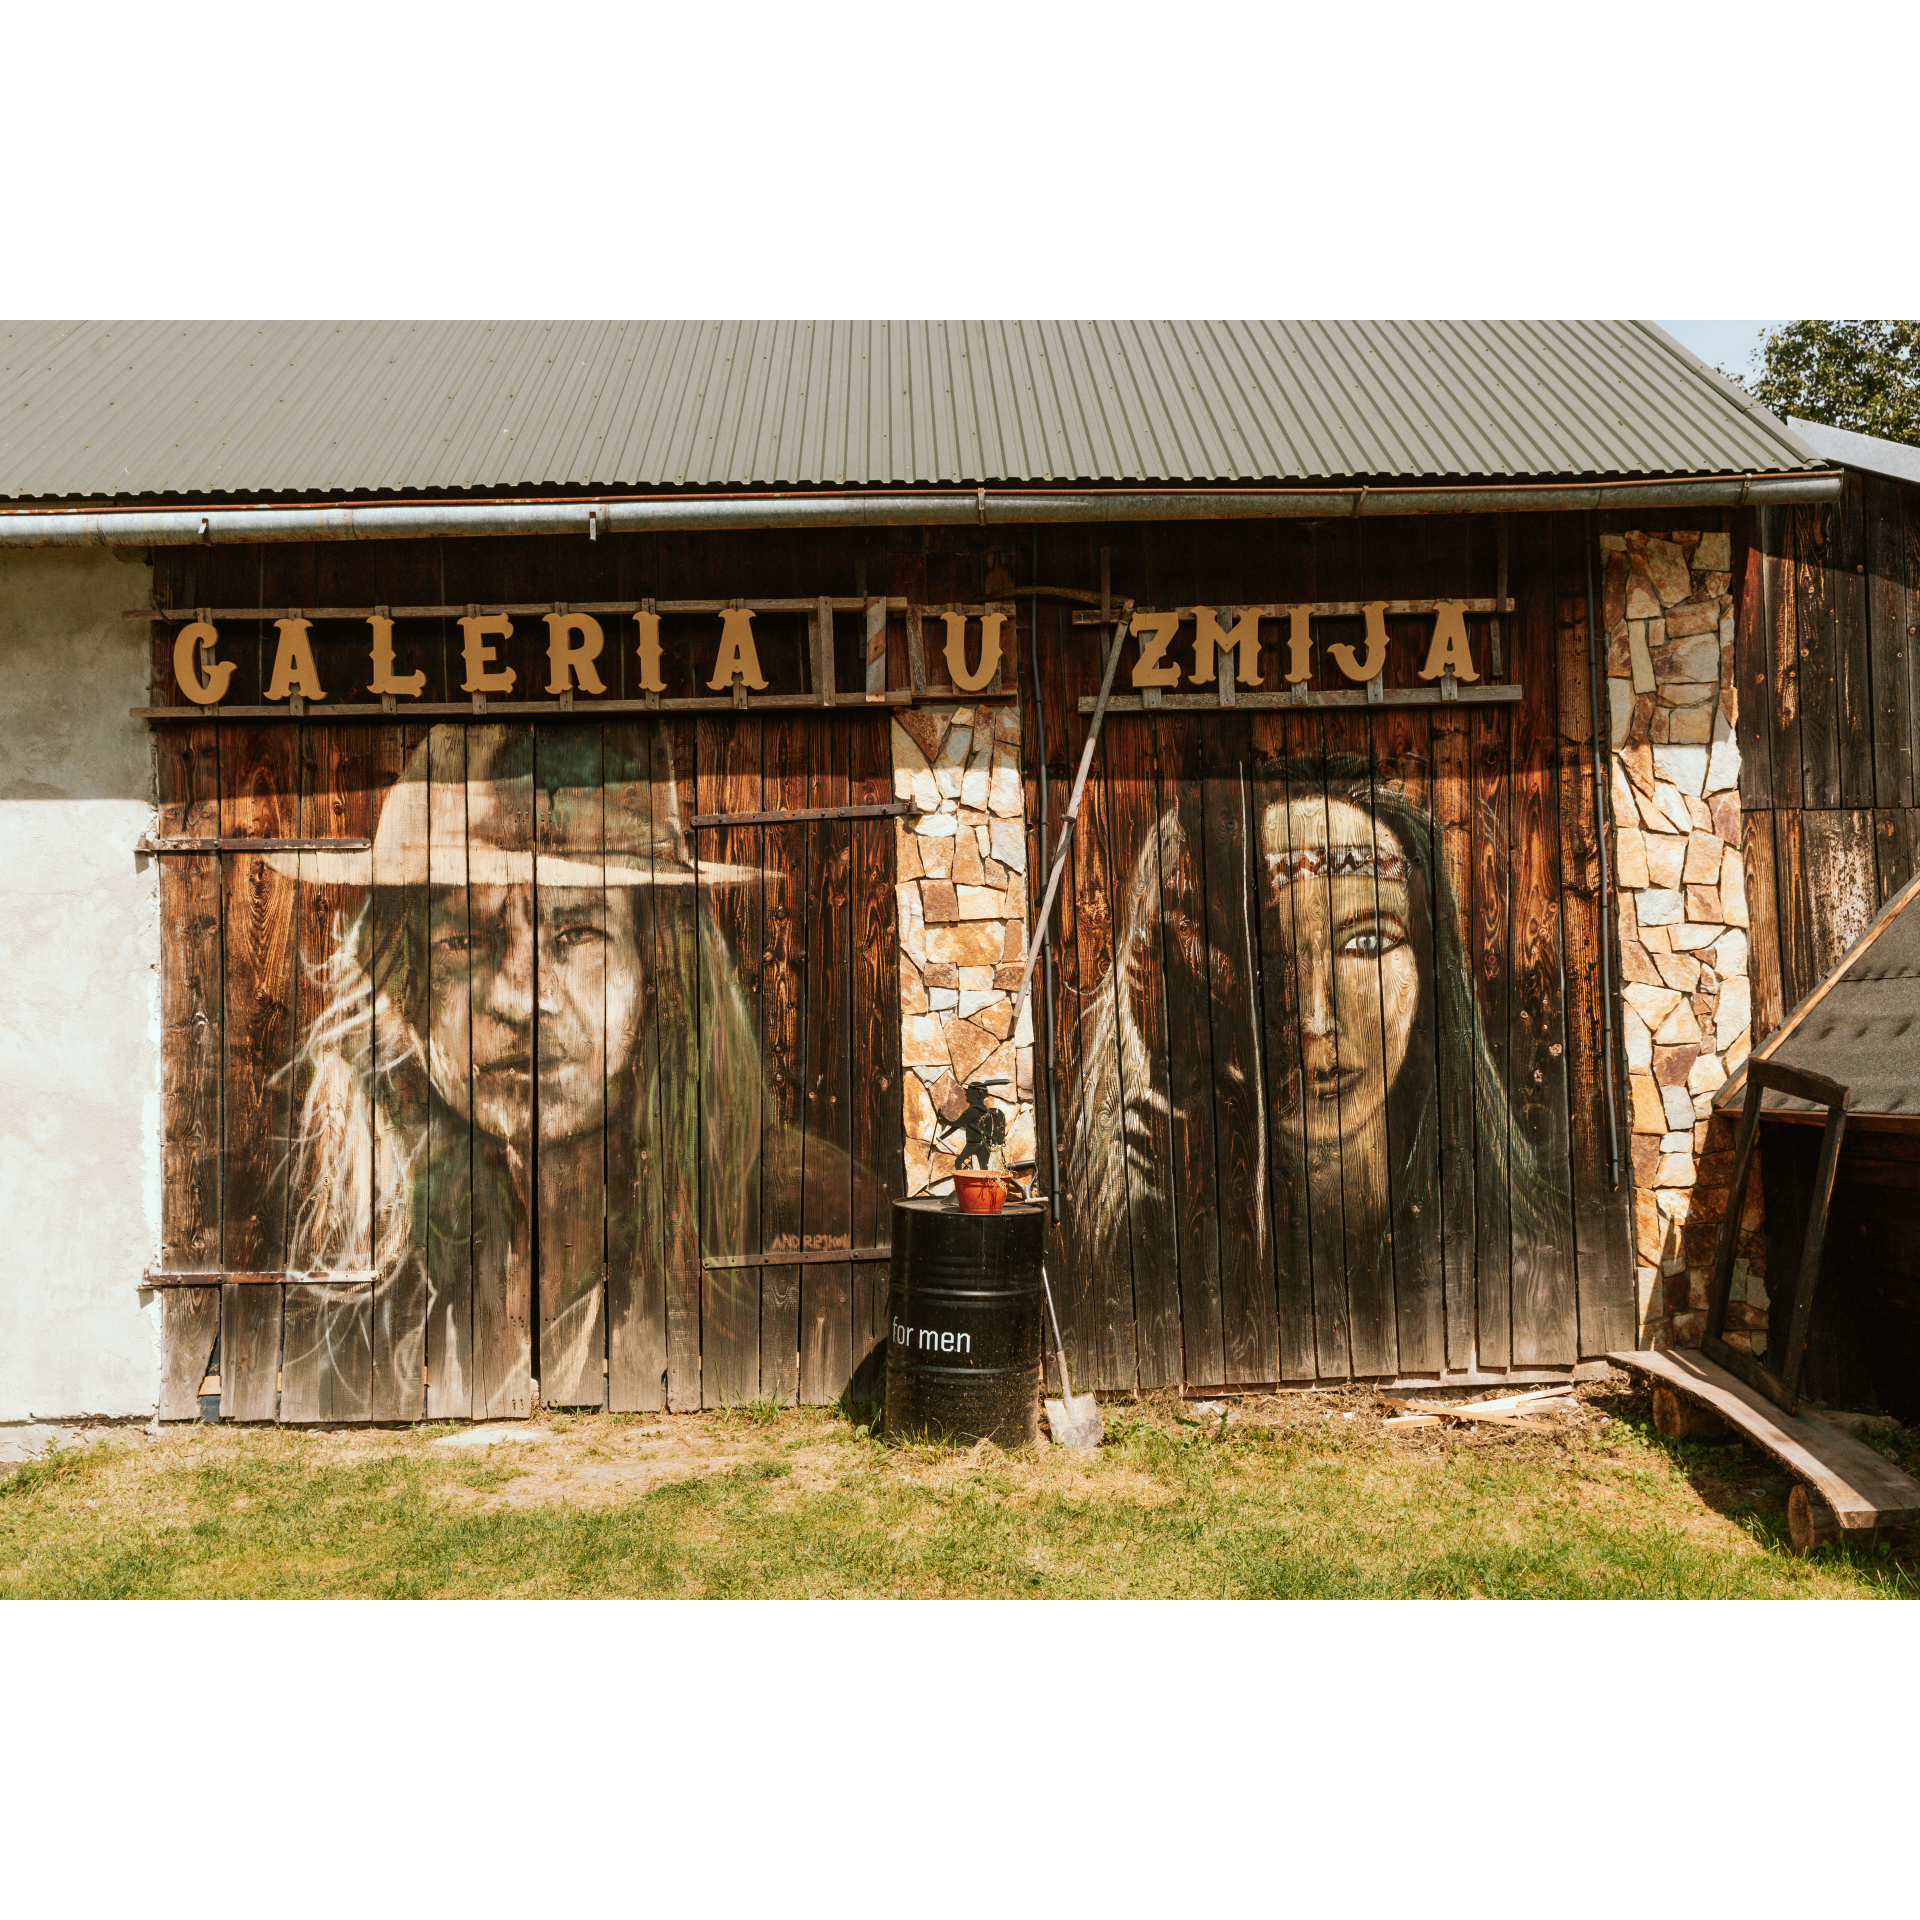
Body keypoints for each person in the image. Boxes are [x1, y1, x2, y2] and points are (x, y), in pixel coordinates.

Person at [281, 724, 764, 1411]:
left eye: (576, 934)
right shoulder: (371, 1251)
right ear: (406, 987)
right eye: (466, 939)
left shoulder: (791, 1209)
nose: (521, 996)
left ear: (657, 965)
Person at [1069, 747, 1544, 1374]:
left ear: (1432, 967)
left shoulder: (1529, 1256)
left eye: (1367, 941)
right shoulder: (1131, 1263)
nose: (1313, 1018)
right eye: (1271, 955)